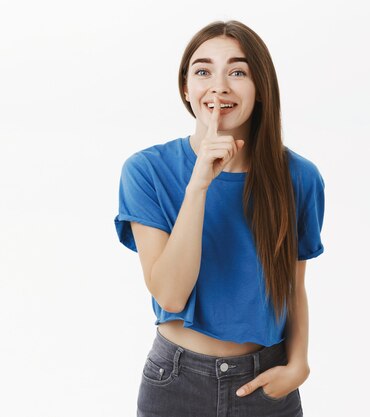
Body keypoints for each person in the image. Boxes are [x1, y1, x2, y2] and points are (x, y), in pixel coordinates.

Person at [114, 20, 325, 416]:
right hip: (176, 383)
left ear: (260, 88)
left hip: (266, 384)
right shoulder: (146, 171)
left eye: (238, 72)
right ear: (185, 88)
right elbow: (171, 295)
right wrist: (198, 184)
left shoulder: (299, 177)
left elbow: (293, 285)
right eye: (203, 71)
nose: (220, 86)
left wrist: (298, 365)